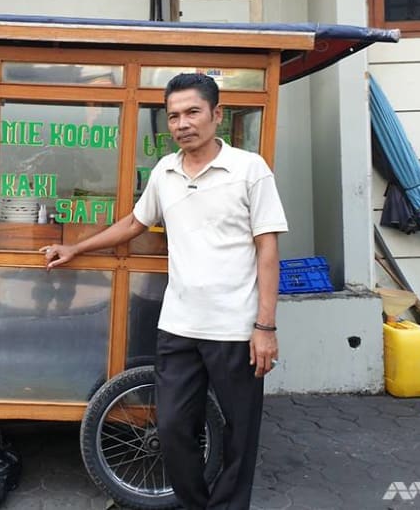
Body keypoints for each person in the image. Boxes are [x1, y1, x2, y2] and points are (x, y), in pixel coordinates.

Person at [40, 72, 288, 509]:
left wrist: (265, 326)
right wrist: (77, 247)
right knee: (172, 428)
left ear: (216, 114)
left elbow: (267, 249)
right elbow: (134, 223)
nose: (182, 123)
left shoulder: (249, 170)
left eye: (192, 112)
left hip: (235, 328)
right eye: (173, 116)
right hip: (178, 325)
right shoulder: (165, 171)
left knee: (240, 433)